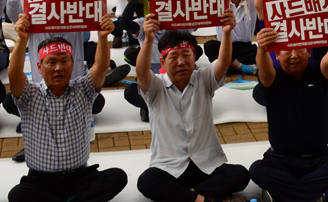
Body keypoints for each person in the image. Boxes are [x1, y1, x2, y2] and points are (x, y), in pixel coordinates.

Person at [7, 13, 128, 202]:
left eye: (64, 61)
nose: (58, 68)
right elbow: (14, 75)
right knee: (18, 195)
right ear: (39, 67)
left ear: (73, 64)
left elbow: (100, 66)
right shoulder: (29, 95)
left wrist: (103, 38)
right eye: (52, 62)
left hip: (80, 176)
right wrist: (22, 41)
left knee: (117, 176)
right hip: (41, 179)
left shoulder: (83, 89)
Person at [135, 12, 251, 202]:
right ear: (162, 62)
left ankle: (185, 196)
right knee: (147, 181)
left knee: (240, 174)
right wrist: (148, 40)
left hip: (207, 164)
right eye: (173, 57)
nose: (181, 62)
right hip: (169, 167)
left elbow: (223, 63)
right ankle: (203, 198)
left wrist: (227, 32)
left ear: (194, 57)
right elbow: (141, 72)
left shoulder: (203, 79)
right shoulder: (156, 87)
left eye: (186, 55)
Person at [248, 20, 328, 202]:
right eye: (287, 51)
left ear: (308, 52)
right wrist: (261, 48)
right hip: (281, 160)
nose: (294, 56)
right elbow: (263, 70)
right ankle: (319, 196)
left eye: (299, 49)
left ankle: (287, 195)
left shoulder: (319, 73)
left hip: (319, 158)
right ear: (277, 56)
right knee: (258, 170)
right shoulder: (272, 78)